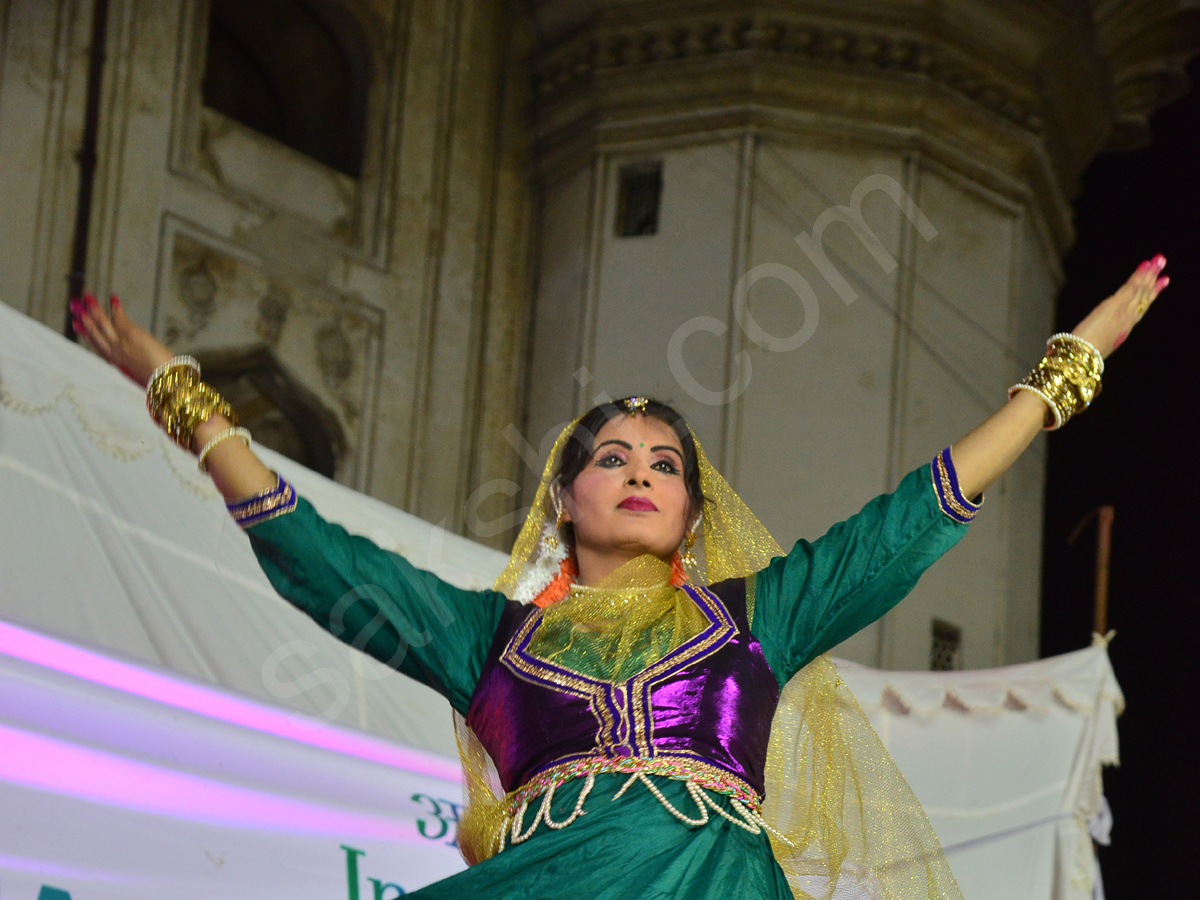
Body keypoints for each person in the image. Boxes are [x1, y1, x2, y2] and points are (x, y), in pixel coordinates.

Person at [69, 255, 1168, 899]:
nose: (640, 473)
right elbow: (315, 553)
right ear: (564, 498)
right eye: (613, 458)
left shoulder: (759, 618)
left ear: (691, 512)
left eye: (664, 465)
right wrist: (182, 396)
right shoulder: (482, 639)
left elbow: (910, 519)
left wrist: (1067, 371)